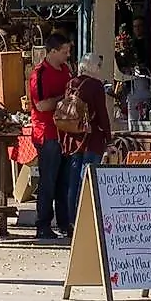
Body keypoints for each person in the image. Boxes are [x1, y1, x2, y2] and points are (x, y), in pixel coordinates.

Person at [26, 34, 77, 241]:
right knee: (48, 180)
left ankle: (65, 223)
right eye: (64, 51)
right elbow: (41, 105)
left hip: (65, 132)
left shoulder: (66, 70)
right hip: (46, 132)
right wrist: (64, 99)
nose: (68, 55)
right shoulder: (39, 74)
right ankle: (43, 224)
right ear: (53, 51)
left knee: (64, 180)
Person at [64, 52, 116, 209]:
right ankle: (85, 216)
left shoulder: (71, 83)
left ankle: (71, 219)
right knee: (88, 181)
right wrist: (109, 139)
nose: (100, 69)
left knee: (73, 182)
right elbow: (102, 114)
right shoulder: (96, 85)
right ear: (94, 67)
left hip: (74, 138)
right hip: (92, 139)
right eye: (98, 66)